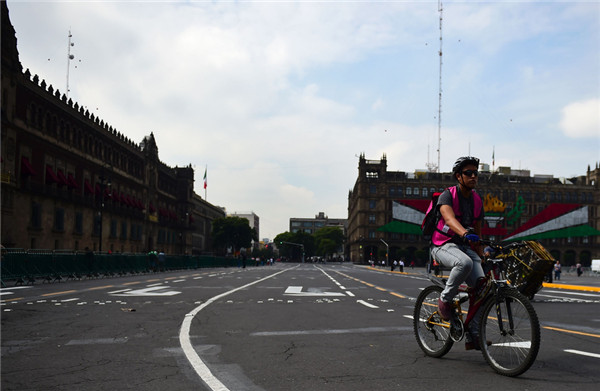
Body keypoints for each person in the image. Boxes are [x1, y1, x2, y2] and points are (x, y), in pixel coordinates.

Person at [430, 156, 488, 351]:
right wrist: (464, 233)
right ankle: (445, 300)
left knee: (482, 289)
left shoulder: (477, 200)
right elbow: (448, 219)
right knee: (464, 263)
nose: (473, 176)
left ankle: (473, 335)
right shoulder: (447, 195)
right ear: (458, 176)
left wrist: (482, 252)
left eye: (475, 173)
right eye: (468, 173)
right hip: (442, 245)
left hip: (465, 247)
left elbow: (478, 231)